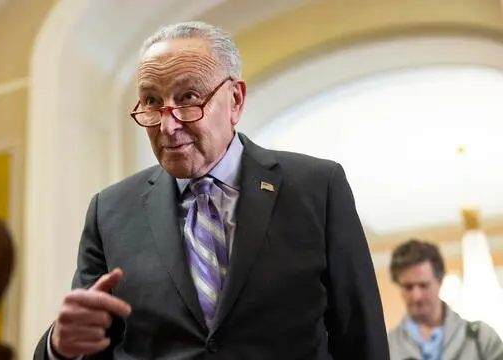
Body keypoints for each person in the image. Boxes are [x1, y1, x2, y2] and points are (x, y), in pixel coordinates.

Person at [34, 21, 389, 360]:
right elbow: (86, 340)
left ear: (235, 100)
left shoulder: (318, 186)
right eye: (152, 101)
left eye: (188, 97)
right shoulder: (109, 211)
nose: (167, 125)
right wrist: (59, 347)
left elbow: (360, 336)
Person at [387, 239, 503, 360]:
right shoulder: (387, 346)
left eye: (424, 285)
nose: (417, 296)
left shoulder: (481, 338)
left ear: (440, 280)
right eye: (408, 287)